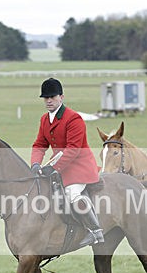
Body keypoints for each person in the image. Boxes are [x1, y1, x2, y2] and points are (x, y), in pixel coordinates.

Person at [30, 78, 104, 247]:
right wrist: (35, 164)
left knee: (72, 193)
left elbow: (73, 149)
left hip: (79, 166)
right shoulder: (44, 119)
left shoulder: (74, 118)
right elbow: (40, 144)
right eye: (45, 98)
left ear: (61, 97)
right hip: (59, 165)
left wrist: (54, 168)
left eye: (52, 97)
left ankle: (95, 231)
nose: (48, 100)